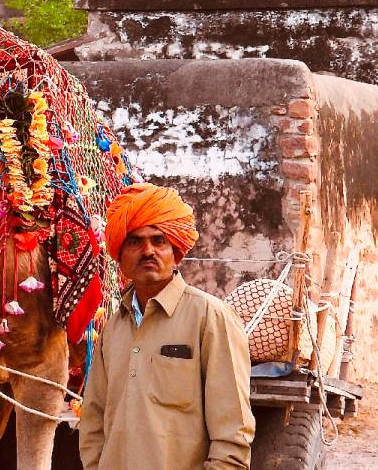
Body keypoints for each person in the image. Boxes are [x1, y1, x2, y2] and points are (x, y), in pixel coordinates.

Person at [79, 183, 255, 470]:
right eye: (135, 242)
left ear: (177, 253)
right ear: (120, 257)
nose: (148, 251)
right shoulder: (113, 328)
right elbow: (93, 422)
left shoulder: (209, 317)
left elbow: (233, 434)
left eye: (159, 241)